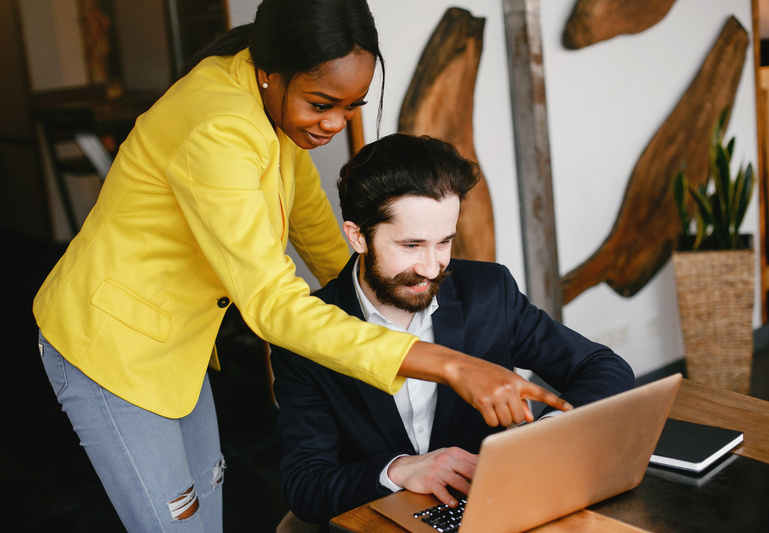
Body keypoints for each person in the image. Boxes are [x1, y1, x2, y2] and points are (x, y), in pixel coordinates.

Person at [33, 2, 569, 531]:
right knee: (175, 524)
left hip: (177, 342)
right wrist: (448, 362)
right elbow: (272, 305)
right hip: (111, 346)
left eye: (352, 106)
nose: (334, 123)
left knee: (204, 510)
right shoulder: (219, 127)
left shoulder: (267, 97)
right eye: (321, 103)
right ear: (271, 75)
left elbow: (312, 220)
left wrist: (388, 294)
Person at [270, 133, 636, 526]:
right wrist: (400, 470)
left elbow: (603, 367)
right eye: (411, 246)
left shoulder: (488, 291)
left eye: (444, 242)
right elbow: (307, 487)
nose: (432, 268)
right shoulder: (305, 332)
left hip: (493, 512)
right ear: (357, 236)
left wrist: (541, 439)